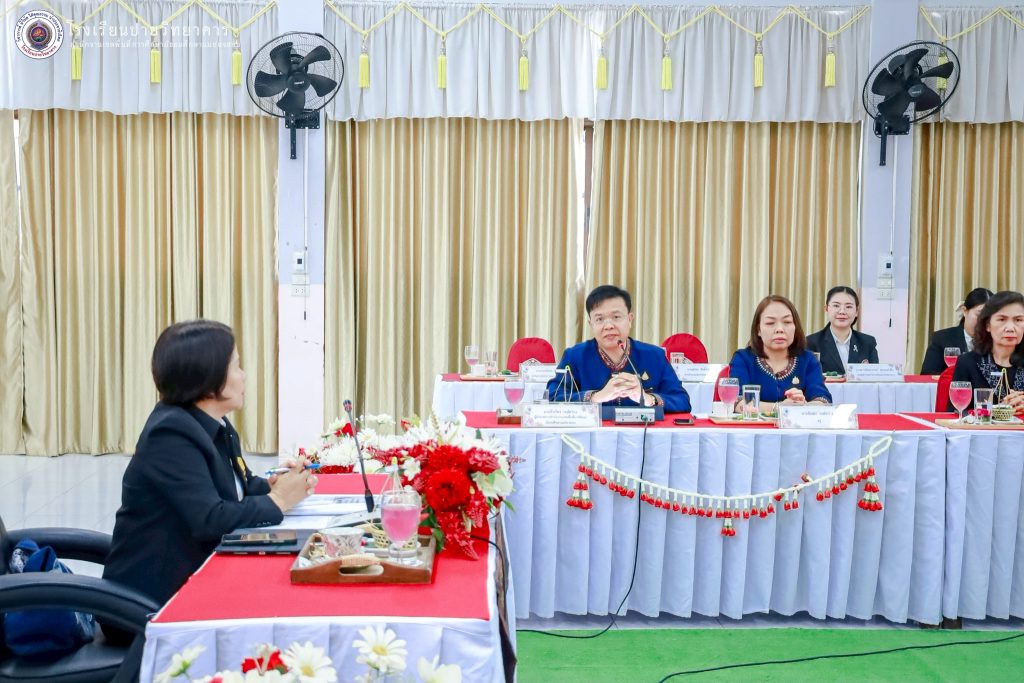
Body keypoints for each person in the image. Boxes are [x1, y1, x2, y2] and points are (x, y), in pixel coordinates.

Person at [103, 320, 314, 616]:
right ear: (209, 376)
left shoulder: (214, 424)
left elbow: (237, 486)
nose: (243, 376)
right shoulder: (170, 434)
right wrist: (278, 500)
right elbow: (210, 518)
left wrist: (275, 484)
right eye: (236, 367)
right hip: (153, 602)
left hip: (197, 576)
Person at [547, 285, 691, 412]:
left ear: (629, 319)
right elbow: (553, 397)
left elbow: (682, 400)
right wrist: (596, 397)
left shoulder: (654, 356)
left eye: (616, 317)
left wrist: (647, 398)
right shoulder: (575, 356)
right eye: (599, 319)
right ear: (591, 324)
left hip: (643, 432)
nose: (608, 326)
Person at [728, 295, 832, 409]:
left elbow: (823, 400)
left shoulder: (808, 360)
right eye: (770, 323)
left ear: (795, 327)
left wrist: (803, 406)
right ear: (758, 330)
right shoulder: (743, 359)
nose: (779, 329)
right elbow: (738, 402)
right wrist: (780, 408)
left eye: (787, 322)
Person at [950, 291, 1024, 412]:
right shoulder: (968, 362)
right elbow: (956, 413)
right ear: (987, 325)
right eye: (1002, 319)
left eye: (1018, 320)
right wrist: (997, 410)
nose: (1010, 328)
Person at [806, 286, 879, 375]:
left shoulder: (868, 342)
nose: (842, 311)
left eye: (848, 307)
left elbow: (874, 378)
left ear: (856, 311)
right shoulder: (811, 343)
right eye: (836, 305)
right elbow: (807, 377)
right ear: (826, 309)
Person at [920, 287, 993, 375]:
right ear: (965, 311)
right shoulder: (943, 339)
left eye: (989, 317)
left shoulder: (996, 341)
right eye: (979, 314)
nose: (984, 321)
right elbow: (928, 375)